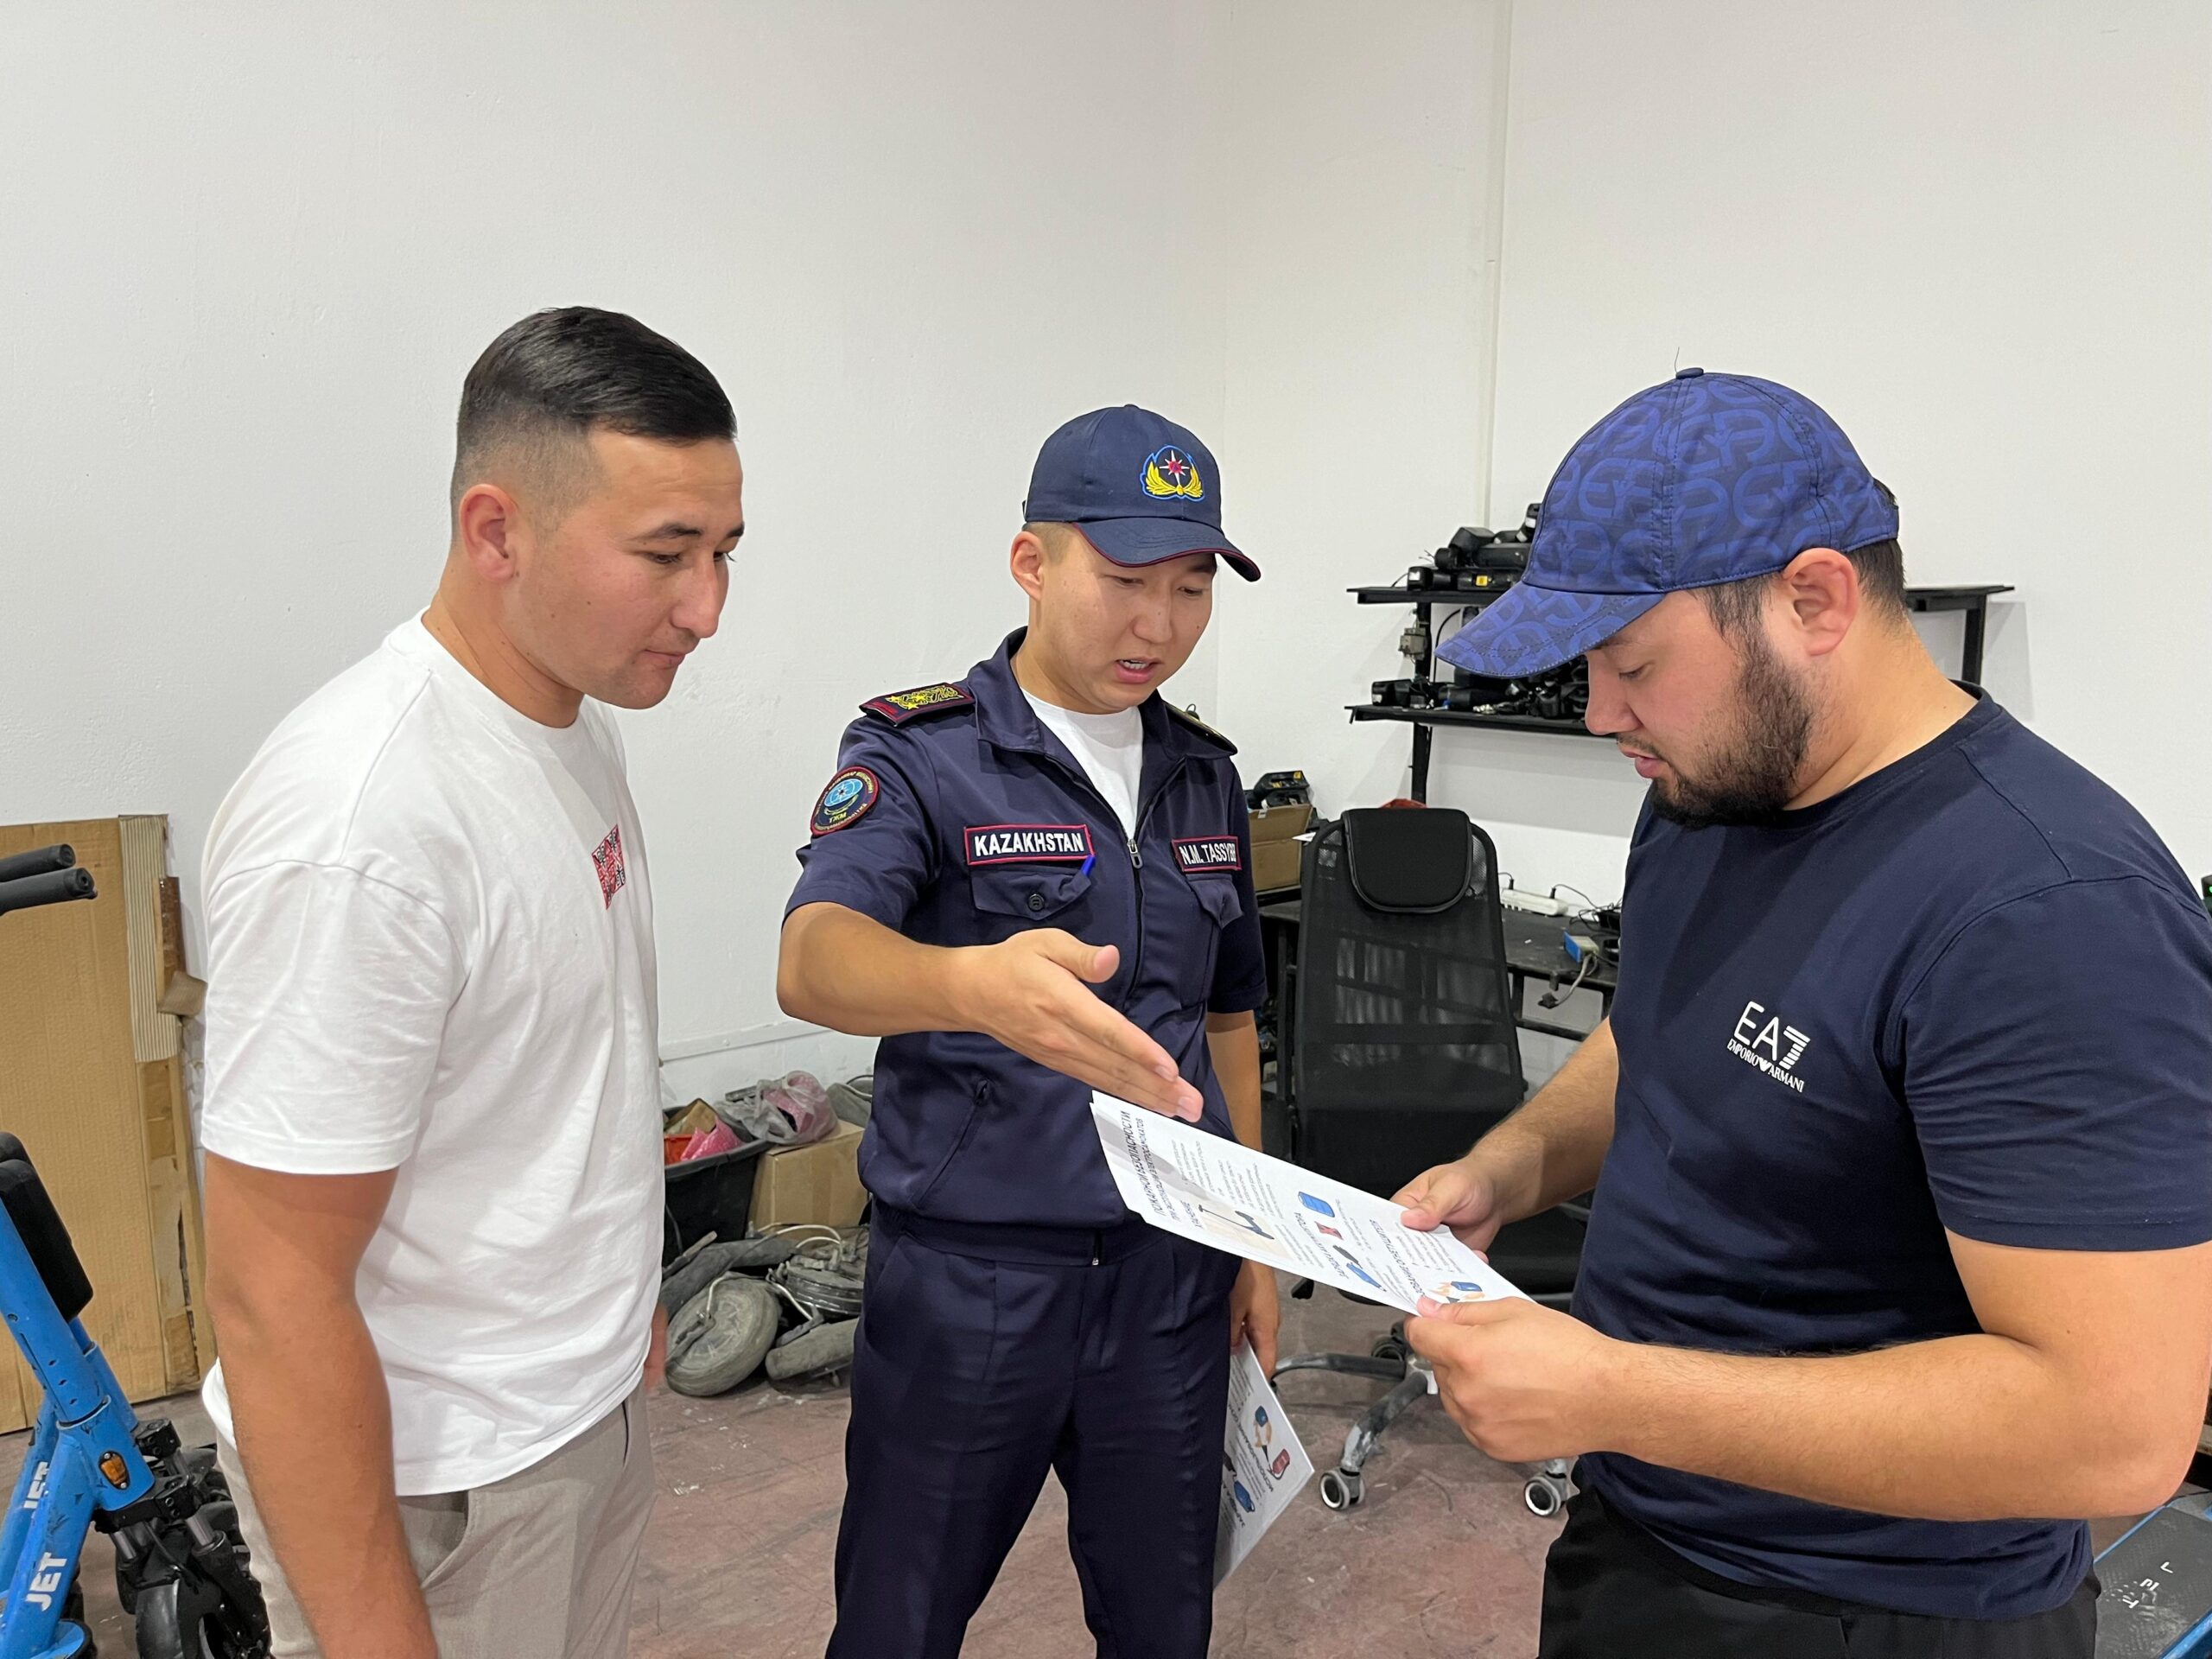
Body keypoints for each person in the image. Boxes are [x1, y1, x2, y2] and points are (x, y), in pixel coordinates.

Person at [1401, 367, 2212, 1658]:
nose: (1603, 714)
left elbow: (2114, 1430)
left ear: (1816, 600)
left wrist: (1613, 1390)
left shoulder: (2048, 912)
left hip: (1878, 1610)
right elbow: (1661, 1028)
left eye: (1633, 663)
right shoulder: (1707, 797)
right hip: (1645, 1531)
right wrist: (1513, 1166)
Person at [199, 307, 744, 1659]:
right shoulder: (361, 828)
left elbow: (558, 1068)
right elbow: (273, 1294)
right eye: (666, 555)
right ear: (497, 531)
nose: (707, 609)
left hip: (575, 1415)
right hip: (437, 1485)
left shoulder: (571, 726)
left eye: (725, 553)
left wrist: (618, 1300)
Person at [777, 404, 1275, 1658]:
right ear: (1032, 564)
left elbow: (1229, 1020)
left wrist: (1253, 1244)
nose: (1158, 625)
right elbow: (814, 958)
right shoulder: (925, 752)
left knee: (1164, 1625)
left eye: (1192, 588)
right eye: (1125, 581)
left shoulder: (1205, 774)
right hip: (972, 1287)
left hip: (1169, 1281)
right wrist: (971, 986)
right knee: (898, 1625)